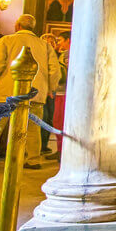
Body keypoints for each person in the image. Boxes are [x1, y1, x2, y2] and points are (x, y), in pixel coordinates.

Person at [0, 14, 61, 170]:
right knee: (33, 128)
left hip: (6, 92)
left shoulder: (6, 41)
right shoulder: (45, 46)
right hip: (35, 94)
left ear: (17, 26)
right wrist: (51, 87)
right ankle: (33, 160)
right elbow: (54, 70)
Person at [48, 31, 71, 161]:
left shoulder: (66, 54)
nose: (59, 43)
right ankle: (61, 149)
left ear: (68, 40)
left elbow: (60, 74)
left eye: (61, 40)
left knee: (59, 121)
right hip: (65, 92)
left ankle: (62, 150)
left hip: (64, 92)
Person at [39, 33, 59, 152]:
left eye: (52, 42)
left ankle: (44, 145)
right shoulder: (39, 56)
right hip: (42, 91)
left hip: (53, 92)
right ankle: (39, 145)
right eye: (47, 42)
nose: (50, 45)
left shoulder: (59, 56)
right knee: (43, 117)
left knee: (50, 118)